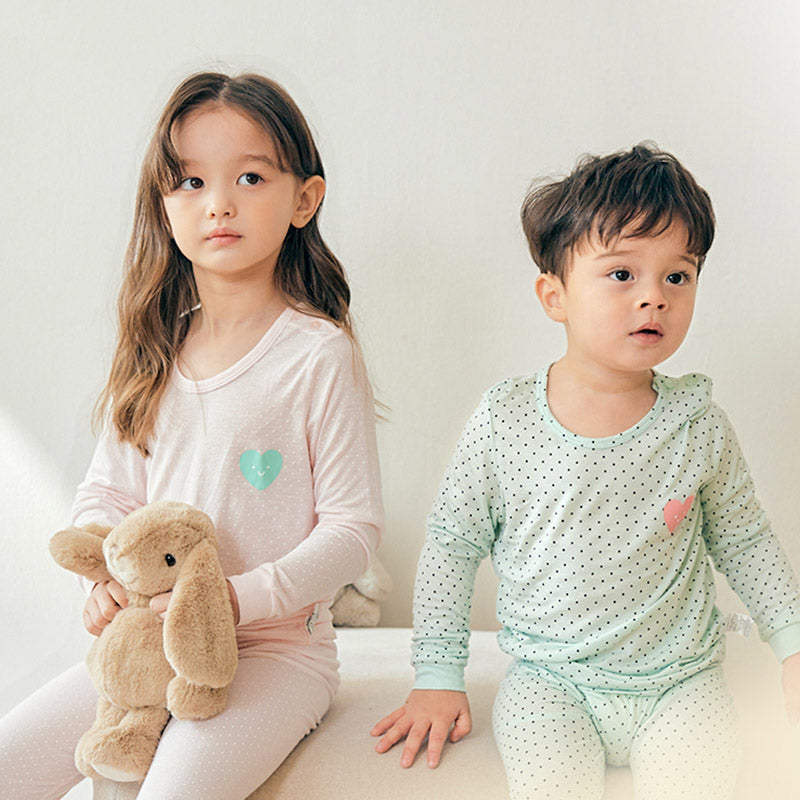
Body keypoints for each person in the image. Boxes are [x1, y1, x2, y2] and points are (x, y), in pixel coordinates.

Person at [372, 144, 800, 799]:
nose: (654, 298)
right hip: (551, 684)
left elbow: (745, 542)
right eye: (622, 274)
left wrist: (792, 643)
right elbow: (453, 546)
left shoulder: (698, 424)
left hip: (680, 683)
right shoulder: (507, 419)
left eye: (678, 276)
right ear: (555, 295)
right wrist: (437, 675)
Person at [0, 71, 383, 800]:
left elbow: (353, 530)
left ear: (304, 200)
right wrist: (101, 581)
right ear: (164, 205)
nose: (219, 203)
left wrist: (236, 601)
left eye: (250, 177)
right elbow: (107, 494)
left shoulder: (317, 354)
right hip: (147, 642)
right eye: (191, 182)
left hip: (274, 653)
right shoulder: (153, 349)